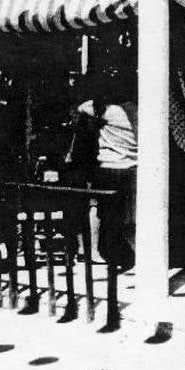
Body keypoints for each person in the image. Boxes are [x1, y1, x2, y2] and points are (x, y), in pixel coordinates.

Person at [72, 68, 137, 271]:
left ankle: (95, 251)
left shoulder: (107, 111)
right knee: (127, 215)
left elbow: (82, 107)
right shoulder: (135, 110)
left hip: (108, 168)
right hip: (131, 167)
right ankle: (128, 253)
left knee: (101, 211)